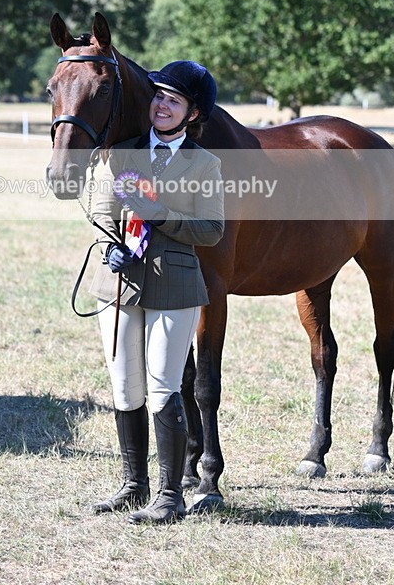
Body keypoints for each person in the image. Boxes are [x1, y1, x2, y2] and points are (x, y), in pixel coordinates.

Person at [88, 61, 224, 524]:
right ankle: (133, 485)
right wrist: (112, 249)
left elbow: (211, 230)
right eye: (158, 96)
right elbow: (102, 210)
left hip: (176, 284)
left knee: (164, 387)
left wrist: (160, 214)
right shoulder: (122, 154)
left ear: (191, 114)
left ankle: (170, 495)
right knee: (125, 387)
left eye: (174, 100)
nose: (161, 105)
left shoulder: (206, 164)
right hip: (119, 283)